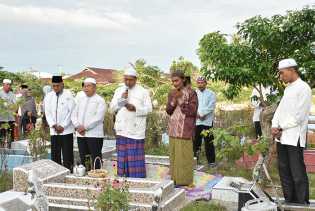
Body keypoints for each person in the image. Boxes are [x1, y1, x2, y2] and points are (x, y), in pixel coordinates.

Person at [271, 58, 312, 205]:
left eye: (282, 73)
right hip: (281, 137)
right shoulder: (288, 88)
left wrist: (281, 128)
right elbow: (280, 110)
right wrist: (274, 125)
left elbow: (299, 117)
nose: (281, 77)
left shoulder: (304, 88)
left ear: (292, 70)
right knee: (284, 170)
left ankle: (301, 202)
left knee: (297, 171)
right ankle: (289, 200)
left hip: (294, 137)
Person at [110, 68, 152, 178]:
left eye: (130, 80)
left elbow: (149, 109)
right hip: (121, 129)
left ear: (136, 79)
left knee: (134, 159)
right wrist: (121, 100)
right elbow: (112, 108)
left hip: (135, 131)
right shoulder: (119, 90)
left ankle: (137, 182)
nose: (128, 82)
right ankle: (122, 182)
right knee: (122, 158)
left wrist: (135, 109)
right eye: (126, 79)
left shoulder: (143, 91)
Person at [166, 71, 198, 186]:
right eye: (173, 81)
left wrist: (180, 100)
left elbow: (192, 111)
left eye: (177, 80)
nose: (174, 83)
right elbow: (169, 111)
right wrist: (174, 100)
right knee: (174, 155)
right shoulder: (172, 92)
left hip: (185, 129)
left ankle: (184, 181)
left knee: (184, 156)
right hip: (173, 128)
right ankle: (174, 179)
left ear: (183, 79)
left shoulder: (191, 93)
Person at [71, 78, 106, 169]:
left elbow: (98, 118)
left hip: (94, 135)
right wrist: (77, 126)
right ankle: (86, 176)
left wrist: (85, 127)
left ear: (94, 88)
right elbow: (73, 114)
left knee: (95, 157)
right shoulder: (80, 100)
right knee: (84, 157)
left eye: (88, 86)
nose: (86, 88)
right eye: (84, 86)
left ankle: (97, 176)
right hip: (81, 134)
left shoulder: (100, 100)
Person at [44, 76, 75, 170]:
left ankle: (69, 172)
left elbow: (72, 111)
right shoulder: (49, 96)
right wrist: (53, 125)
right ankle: (57, 173)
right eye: (54, 86)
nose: (56, 88)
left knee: (67, 154)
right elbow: (47, 112)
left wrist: (63, 126)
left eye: (58, 86)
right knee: (55, 154)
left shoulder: (69, 95)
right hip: (54, 131)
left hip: (66, 131)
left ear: (62, 85)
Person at [194, 76, 216, 167]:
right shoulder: (194, 93)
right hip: (197, 122)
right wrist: (197, 115)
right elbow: (191, 105)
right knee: (196, 142)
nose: (200, 84)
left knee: (209, 142)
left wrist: (202, 114)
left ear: (206, 83)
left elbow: (211, 106)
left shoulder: (211, 93)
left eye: (202, 82)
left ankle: (211, 162)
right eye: (198, 83)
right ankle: (195, 161)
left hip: (207, 122)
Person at [0, 79, 16, 146]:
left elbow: (15, 104)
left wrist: (14, 109)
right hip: (2, 118)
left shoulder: (12, 94)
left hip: (10, 118)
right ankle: (1, 149)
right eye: (7, 84)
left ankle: (11, 148)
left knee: (11, 135)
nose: (9, 86)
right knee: (2, 135)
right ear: (3, 85)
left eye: (10, 85)